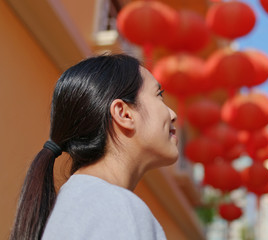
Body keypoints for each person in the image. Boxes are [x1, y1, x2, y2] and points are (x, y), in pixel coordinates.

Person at [9, 54, 178, 240]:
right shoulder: (116, 209)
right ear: (124, 114)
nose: (173, 114)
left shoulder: (75, 206)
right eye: (159, 95)